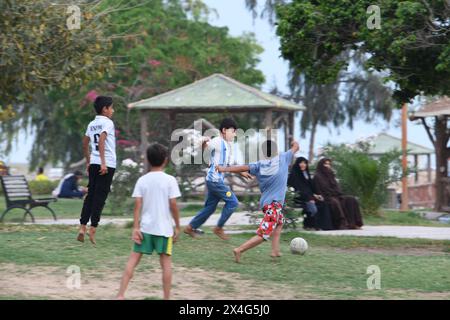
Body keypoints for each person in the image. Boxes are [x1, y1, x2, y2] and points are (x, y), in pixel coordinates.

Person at [217, 140, 300, 263]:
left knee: (279, 222)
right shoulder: (283, 158)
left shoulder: (259, 165)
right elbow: (296, 147)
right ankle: (239, 250)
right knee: (264, 234)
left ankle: (275, 251)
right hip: (274, 204)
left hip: (268, 203)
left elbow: (241, 167)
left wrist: (224, 169)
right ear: (276, 151)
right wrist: (294, 142)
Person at [116, 143, 181, 300]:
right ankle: (166, 298)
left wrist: (136, 227)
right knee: (165, 264)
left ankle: (120, 294)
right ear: (165, 160)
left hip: (145, 229)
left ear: (148, 161)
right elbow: (173, 204)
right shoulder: (170, 180)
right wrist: (178, 226)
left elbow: (138, 204)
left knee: (133, 260)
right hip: (164, 230)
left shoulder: (142, 180)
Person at [184, 118, 251, 240]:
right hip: (214, 181)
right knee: (233, 202)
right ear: (224, 130)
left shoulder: (226, 145)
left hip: (213, 181)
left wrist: (242, 172)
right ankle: (218, 228)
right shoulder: (217, 141)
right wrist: (204, 143)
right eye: (233, 131)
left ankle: (190, 227)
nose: (235, 134)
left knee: (210, 208)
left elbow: (227, 166)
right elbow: (205, 148)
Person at [77, 96, 116, 245]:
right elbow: (101, 140)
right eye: (111, 107)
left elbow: (84, 143)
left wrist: (88, 161)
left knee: (90, 196)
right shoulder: (108, 123)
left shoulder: (92, 124)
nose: (113, 110)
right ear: (105, 109)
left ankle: (82, 227)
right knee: (100, 197)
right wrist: (104, 163)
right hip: (106, 164)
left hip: (93, 163)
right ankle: (93, 229)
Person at [313, 158, 364, 230]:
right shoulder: (317, 176)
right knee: (335, 202)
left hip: (337, 195)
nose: (327, 166)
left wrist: (337, 193)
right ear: (321, 165)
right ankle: (342, 223)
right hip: (326, 197)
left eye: (329, 164)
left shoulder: (331, 175)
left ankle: (353, 223)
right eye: (325, 164)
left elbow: (337, 187)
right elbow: (319, 190)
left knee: (351, 199)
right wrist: (332, 193)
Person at [287, 157, 332, 230]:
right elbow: (298, 189)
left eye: (305, 163)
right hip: (298, 196)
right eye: (301, 162)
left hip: (309, 196)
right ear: (297, 164)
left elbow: (311, 187)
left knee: (323, 203)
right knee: (312, 207)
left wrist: (316, 195)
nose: (303, 164)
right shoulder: (294, 174)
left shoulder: (306, 174)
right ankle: (310, 225)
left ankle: (323, 226)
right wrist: (311, 197)